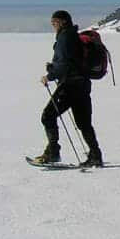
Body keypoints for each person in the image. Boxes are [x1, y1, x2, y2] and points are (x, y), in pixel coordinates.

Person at [32, 10, 103, 168]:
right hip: (83, 84)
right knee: (84, 123)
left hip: (70, 85)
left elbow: (63, 65)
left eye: (54, 23)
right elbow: (70, 62)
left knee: (48, 116)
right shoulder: (73, 36)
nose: (53, 26)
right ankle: (95, 155)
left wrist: (49, 76)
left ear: (62, 22)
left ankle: (53, 152)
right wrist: (53, 68)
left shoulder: (65, 38)